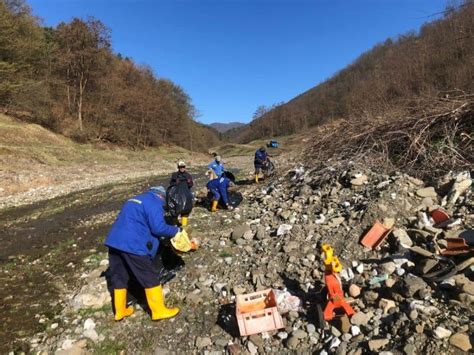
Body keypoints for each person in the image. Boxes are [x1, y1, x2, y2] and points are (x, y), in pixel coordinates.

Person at [104, 186, 185, 321]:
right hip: (133, 245)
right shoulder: (155, 203)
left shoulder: (134, 200)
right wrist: (176, 230)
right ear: (161, 196)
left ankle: (120, 311)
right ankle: (158, 311)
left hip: (114, 242)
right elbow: (158, 228)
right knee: (149, 276)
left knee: (119, 276)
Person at [169, 161, 193, 226]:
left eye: (183, 167)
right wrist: (175, 183)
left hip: (185, 194)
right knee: (174, 208)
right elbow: (171, 184)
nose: (182, 168)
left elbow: (191, 185)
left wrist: (189, 182)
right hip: (177, 195)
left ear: (185, 167)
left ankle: (184, 226)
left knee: (186, 208)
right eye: (180, 167)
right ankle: (175, 223)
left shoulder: (188, 175)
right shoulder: (174, 175)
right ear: (178, 168)